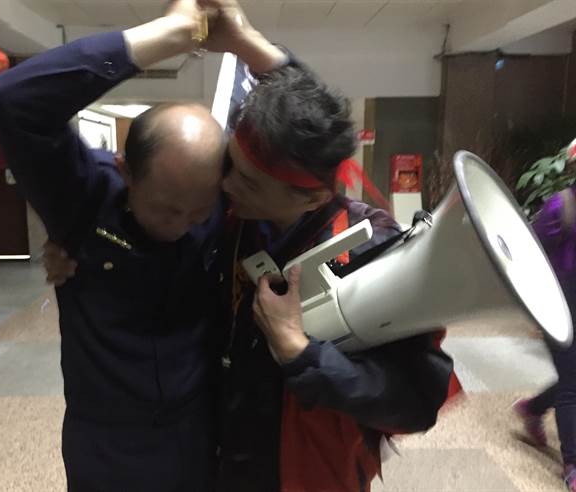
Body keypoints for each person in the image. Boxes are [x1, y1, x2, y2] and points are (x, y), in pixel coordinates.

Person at [43, 2, 454, 490]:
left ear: (314, 196)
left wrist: (302, 354)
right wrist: (85, 247)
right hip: (218, 459)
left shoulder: (375, 249)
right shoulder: (237, 219)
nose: (225, 186)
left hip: (307, 474)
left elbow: (417, 403)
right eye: (229, 166)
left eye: (249, 181)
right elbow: (310, 110)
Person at [0, 1, 289, 489]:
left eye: (198, 212)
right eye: (167, 209)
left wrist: (249, 44)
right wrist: (171, 33)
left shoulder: (229, 205)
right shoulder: (84, 197)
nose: (184, 225)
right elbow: (12, 99)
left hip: (196, 435)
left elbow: (316, 133)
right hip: (105, 446)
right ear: (126, 172)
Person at [514, 184, 576, 492]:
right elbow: (530, 252)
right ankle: (572, 463)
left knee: (572, 377)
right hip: (560, 305)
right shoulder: (561, 206)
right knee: (571, 383)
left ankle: (533, 408)